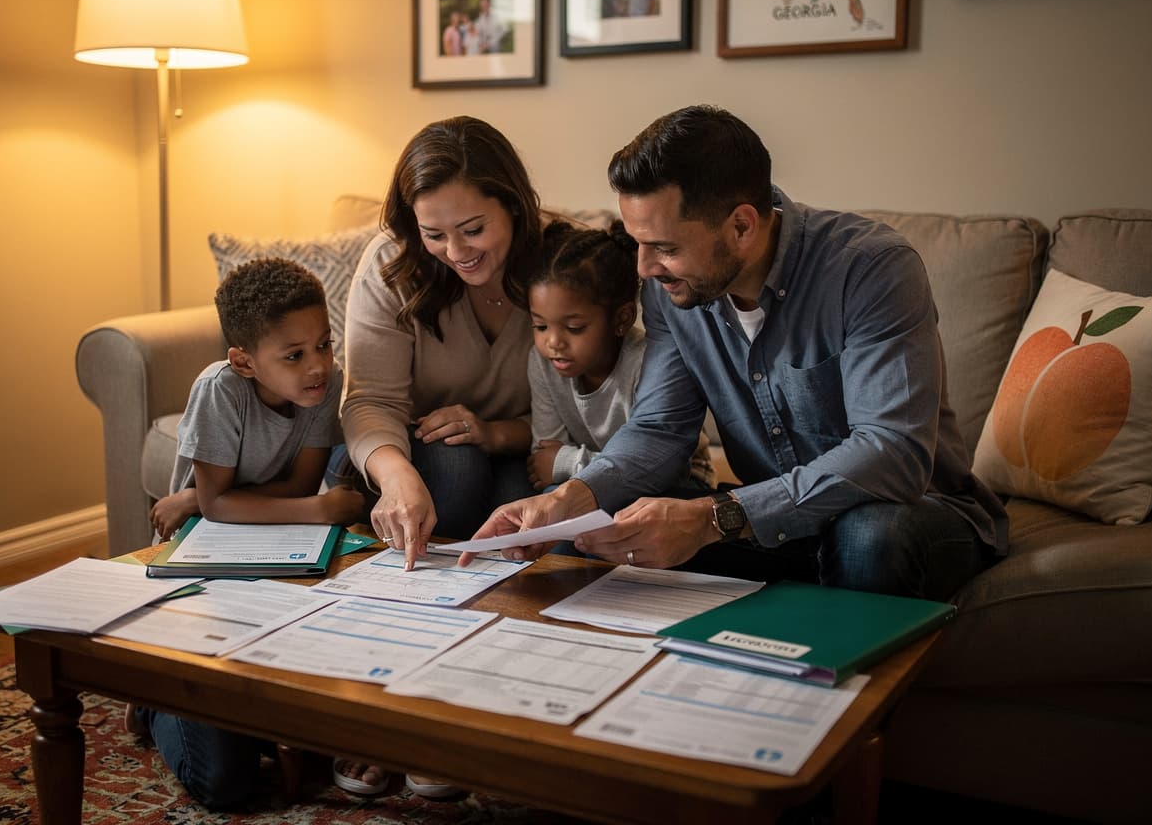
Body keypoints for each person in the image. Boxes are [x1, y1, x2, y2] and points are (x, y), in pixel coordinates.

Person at [462, 105, 1008, 603]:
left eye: (667, 248)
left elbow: (892, 451)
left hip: (915, 515)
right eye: (640, 244)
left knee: (868, 537)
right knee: (604, 533)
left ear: (742, 225)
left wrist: (715, 516)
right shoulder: (670, 290)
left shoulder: (871, 269)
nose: (645, 269)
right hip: (772, 525)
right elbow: (658, 428)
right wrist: (570, 500)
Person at [336, 115, 542, 796]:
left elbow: (594, 405)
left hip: (526, 450)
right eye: (435, 233)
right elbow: (368, 401)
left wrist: (495, 430)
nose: (456, 250)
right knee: (448, 469)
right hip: (430, 459)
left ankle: (488, 715)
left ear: (512, 203)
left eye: (474, 228)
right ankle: (395, 714)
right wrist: (395, 480)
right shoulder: (392, 265)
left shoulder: (563, 263)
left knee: (521, 501)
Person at [133, 257, 363, 811]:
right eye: (294, 355)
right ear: (243, 361)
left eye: (324, 344)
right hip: (203, 563)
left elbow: (298, 481)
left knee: (319, 734)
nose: (318, 366)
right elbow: (224, 505)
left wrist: (218, 498)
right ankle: (152, 698)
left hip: (269, 546)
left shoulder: (318, 391)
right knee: (224, 783)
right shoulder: (219, 389)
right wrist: (319, 509)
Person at [526, 220, 713, 495]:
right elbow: (544, 458)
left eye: (574, 328)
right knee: (550, 502)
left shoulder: (648, 362)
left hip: (676, 486)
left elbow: (662, 466)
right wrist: (564, 465)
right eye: (540, 326)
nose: (553, 342)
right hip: (587, 481)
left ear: (622, 319)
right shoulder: (543, 362)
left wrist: (570, 461)